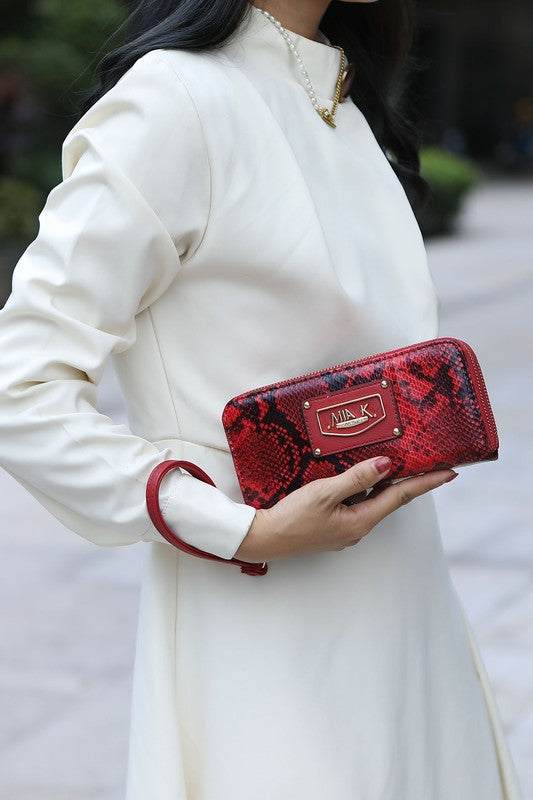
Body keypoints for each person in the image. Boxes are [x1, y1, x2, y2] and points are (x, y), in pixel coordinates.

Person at [0, 1, 522, 798]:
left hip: (410, 613)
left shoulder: (339, 99)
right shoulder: (176, 101)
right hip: (268, 628)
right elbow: (20, 386)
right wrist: (236, 528)